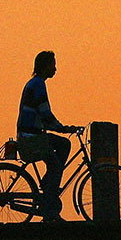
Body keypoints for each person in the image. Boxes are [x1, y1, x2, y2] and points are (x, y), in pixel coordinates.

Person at [18, 50, 82, 219]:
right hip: (32, 138)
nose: (55, 69)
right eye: (53, 64)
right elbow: (45, 113)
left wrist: (62, 128)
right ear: (46, 66)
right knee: (55, 166)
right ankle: (49, 208)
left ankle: (48, 185)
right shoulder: (38, 84)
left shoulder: (35, 83)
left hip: (34, 135)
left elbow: (44, 116)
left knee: (64, 144)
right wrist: (62, 128)